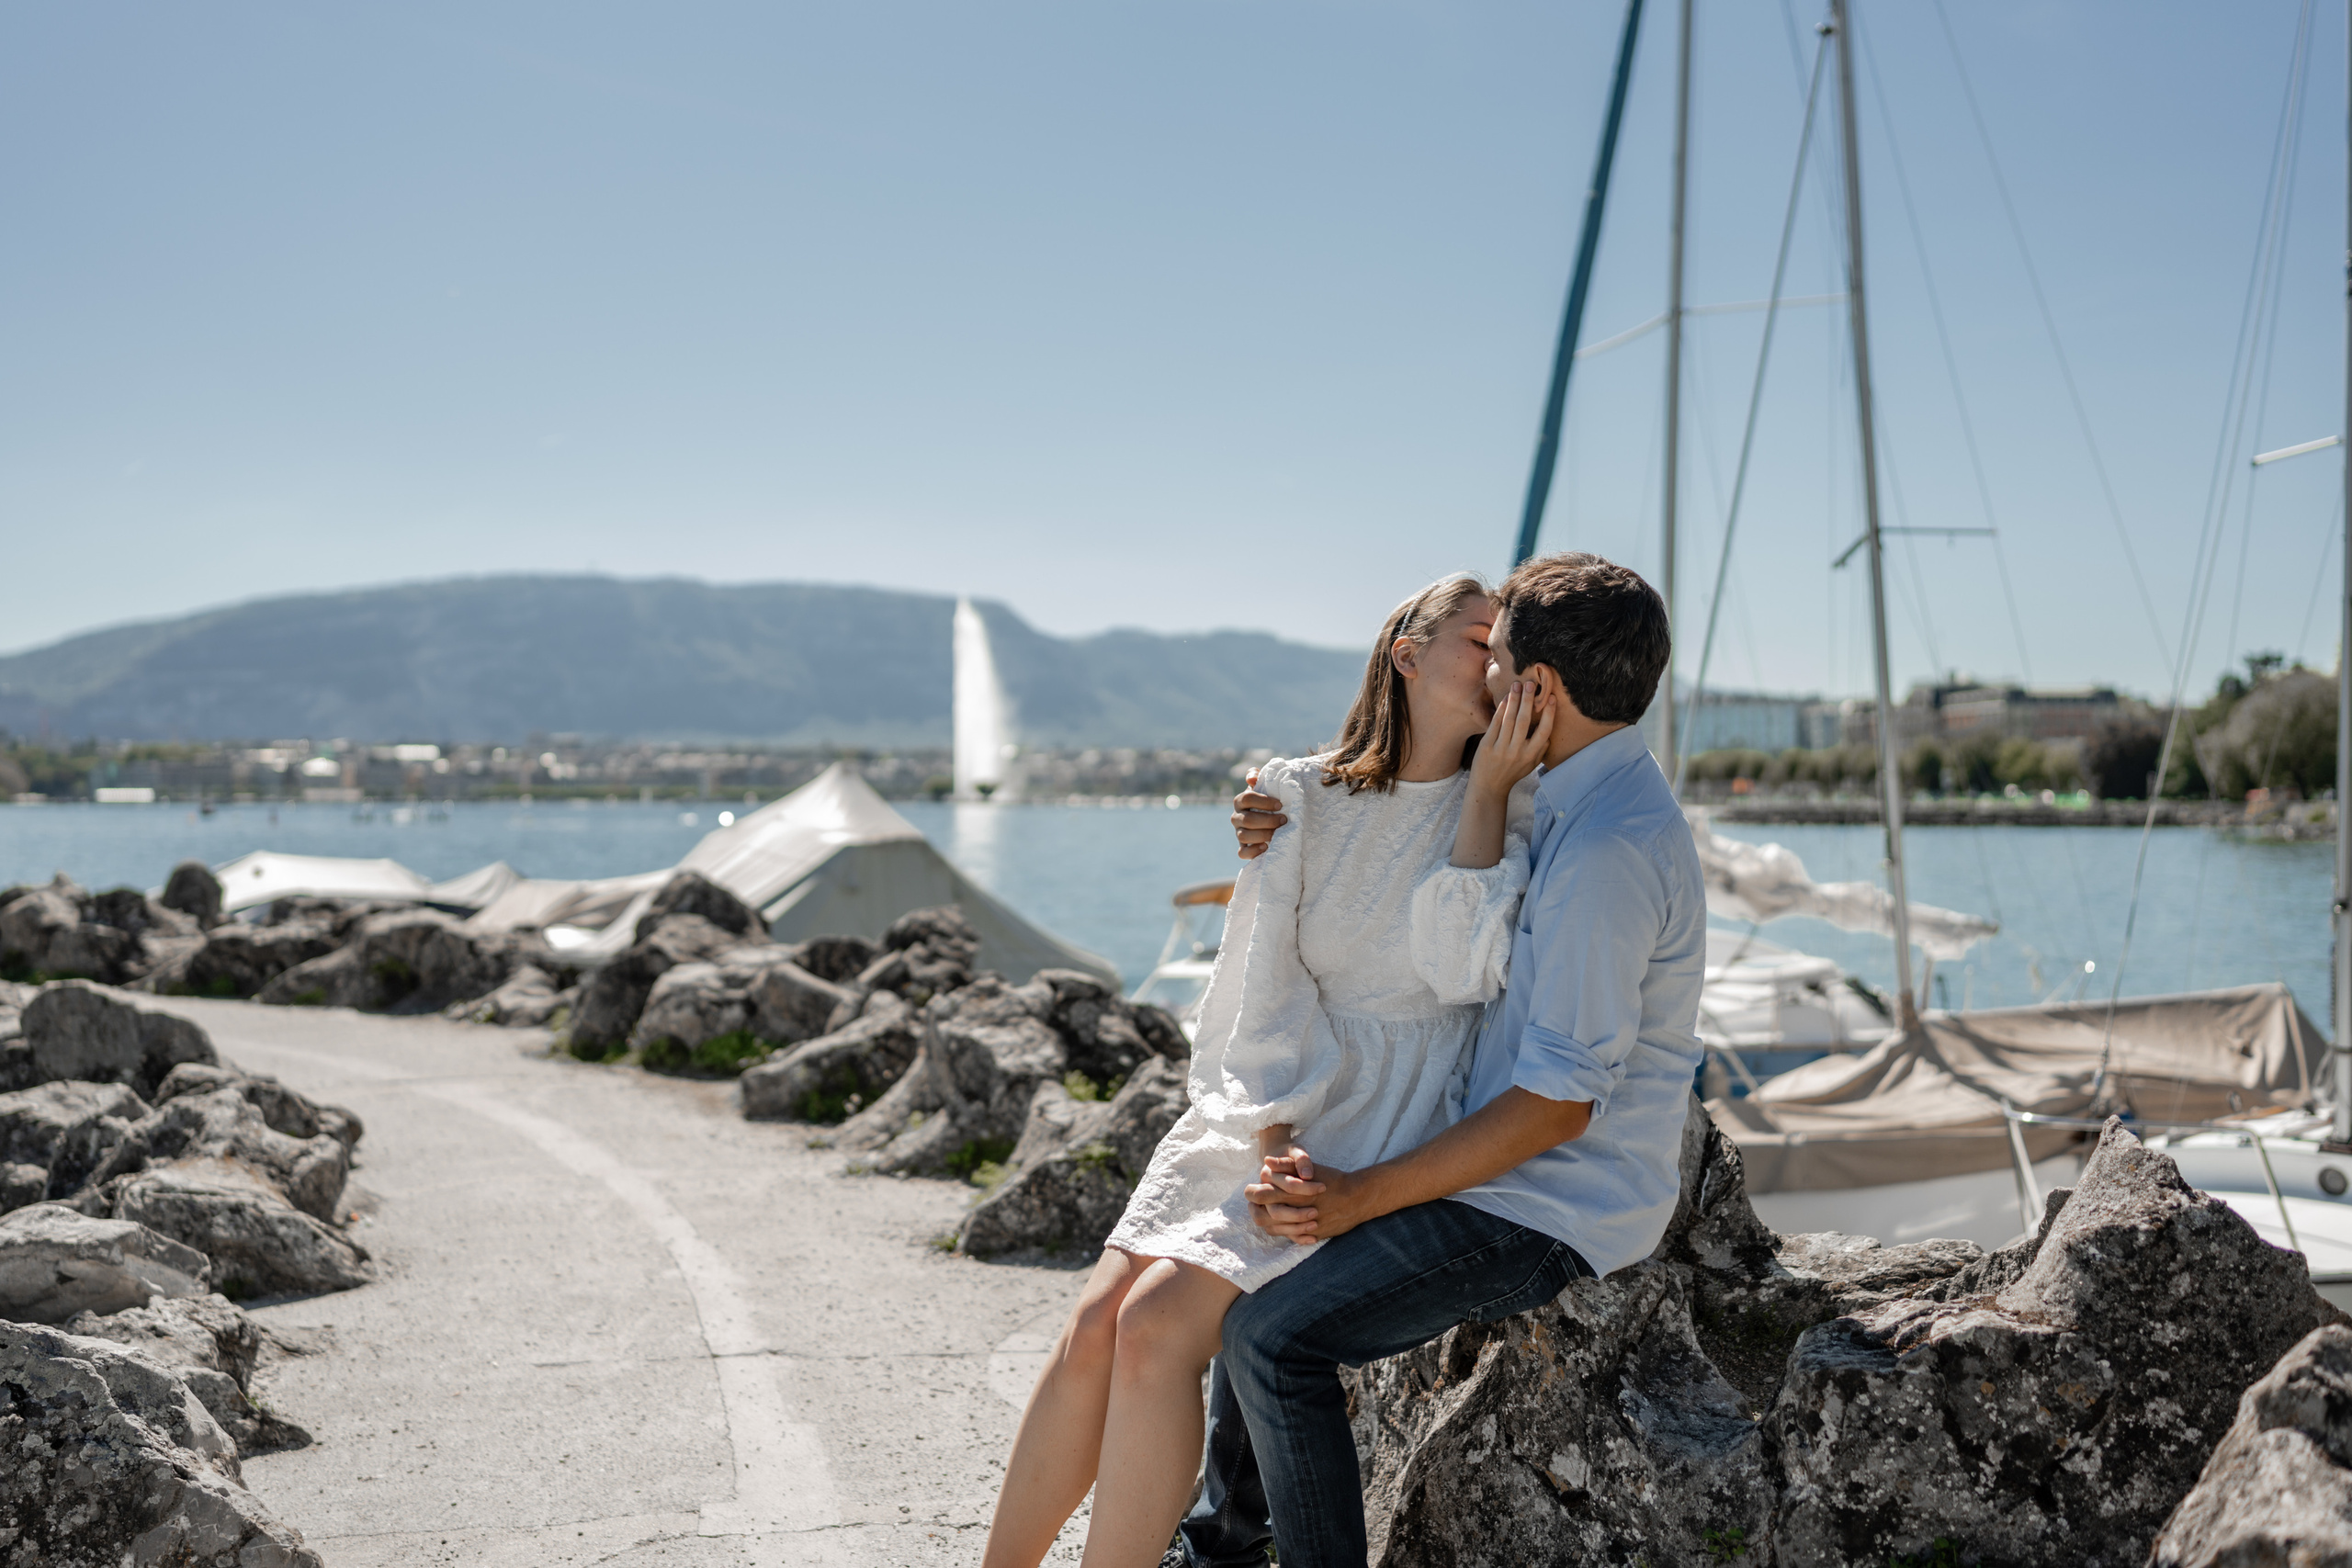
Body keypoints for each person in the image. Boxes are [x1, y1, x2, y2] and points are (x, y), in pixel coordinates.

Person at [978, 573, 1554, 1568]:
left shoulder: (1513, 804)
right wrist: (1274, 1130)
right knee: (1094, 1323)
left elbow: (1463, 977)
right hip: (1270, 1097)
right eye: (1477, 639)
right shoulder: (1294, 791)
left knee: (1156, 1328)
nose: (1497, 663)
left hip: (1385, 1116)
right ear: (1406, 655)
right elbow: (1259, 984)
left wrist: (1491, 794)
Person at [1193, 550, 1705, 1568]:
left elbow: (1558, 1109)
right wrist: (1268, 812)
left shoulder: (1605, 849)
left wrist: (1359, 1195)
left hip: (1549, 1203)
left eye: (1496, 658)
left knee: (1274, 1340)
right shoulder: (1553, 792)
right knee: (1257, 1268)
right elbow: (1377, 807)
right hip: (1502, 1169)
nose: (1482, 675)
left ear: (1538, 690)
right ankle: (1215, 1551)